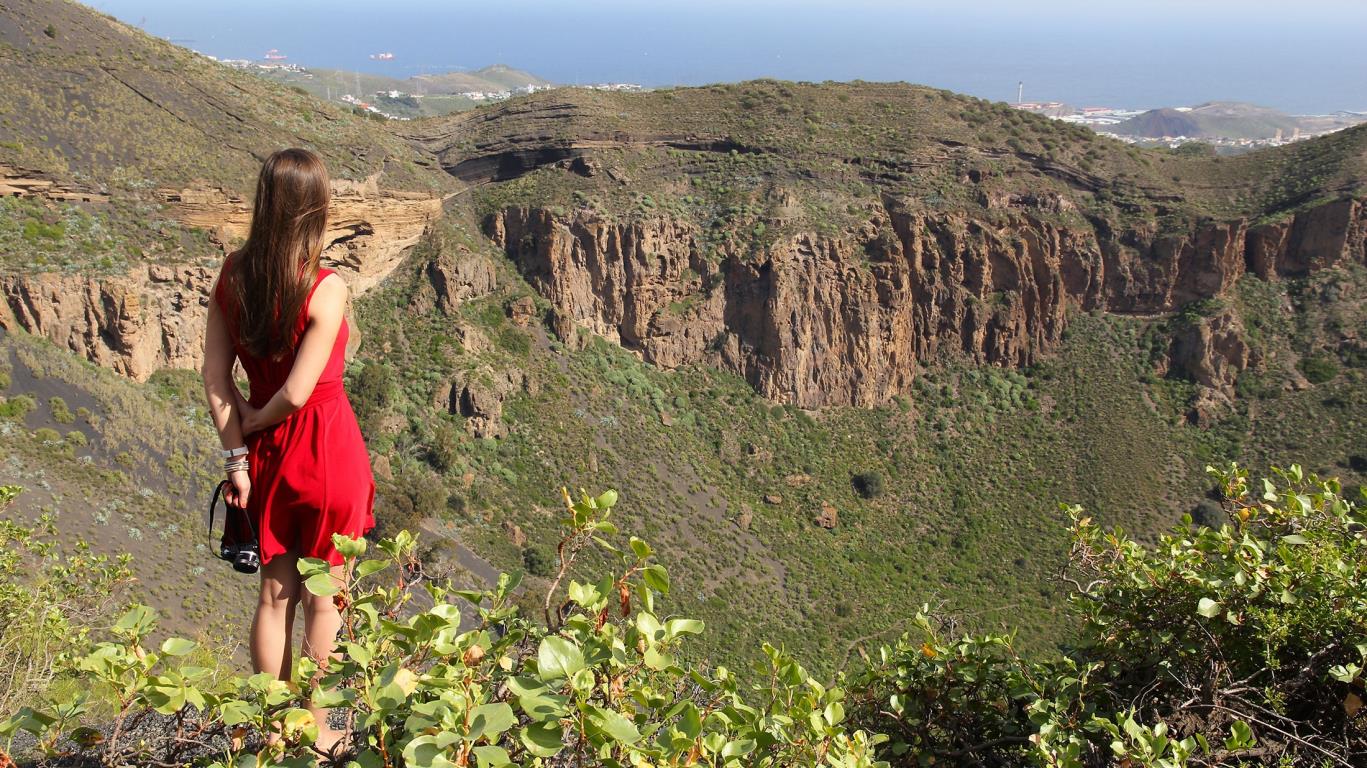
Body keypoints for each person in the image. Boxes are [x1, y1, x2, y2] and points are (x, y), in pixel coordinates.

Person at [201, 147, 375, 752]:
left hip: (266, 458)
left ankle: (273, 728)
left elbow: (215, 378)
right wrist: (261, 414)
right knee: (325, 599)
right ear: (315, 211)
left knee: (274, 597)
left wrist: (238, 451)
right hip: (328, 452)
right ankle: (320, 732)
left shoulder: (232, 277)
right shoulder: (326, 288)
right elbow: (300, 392)